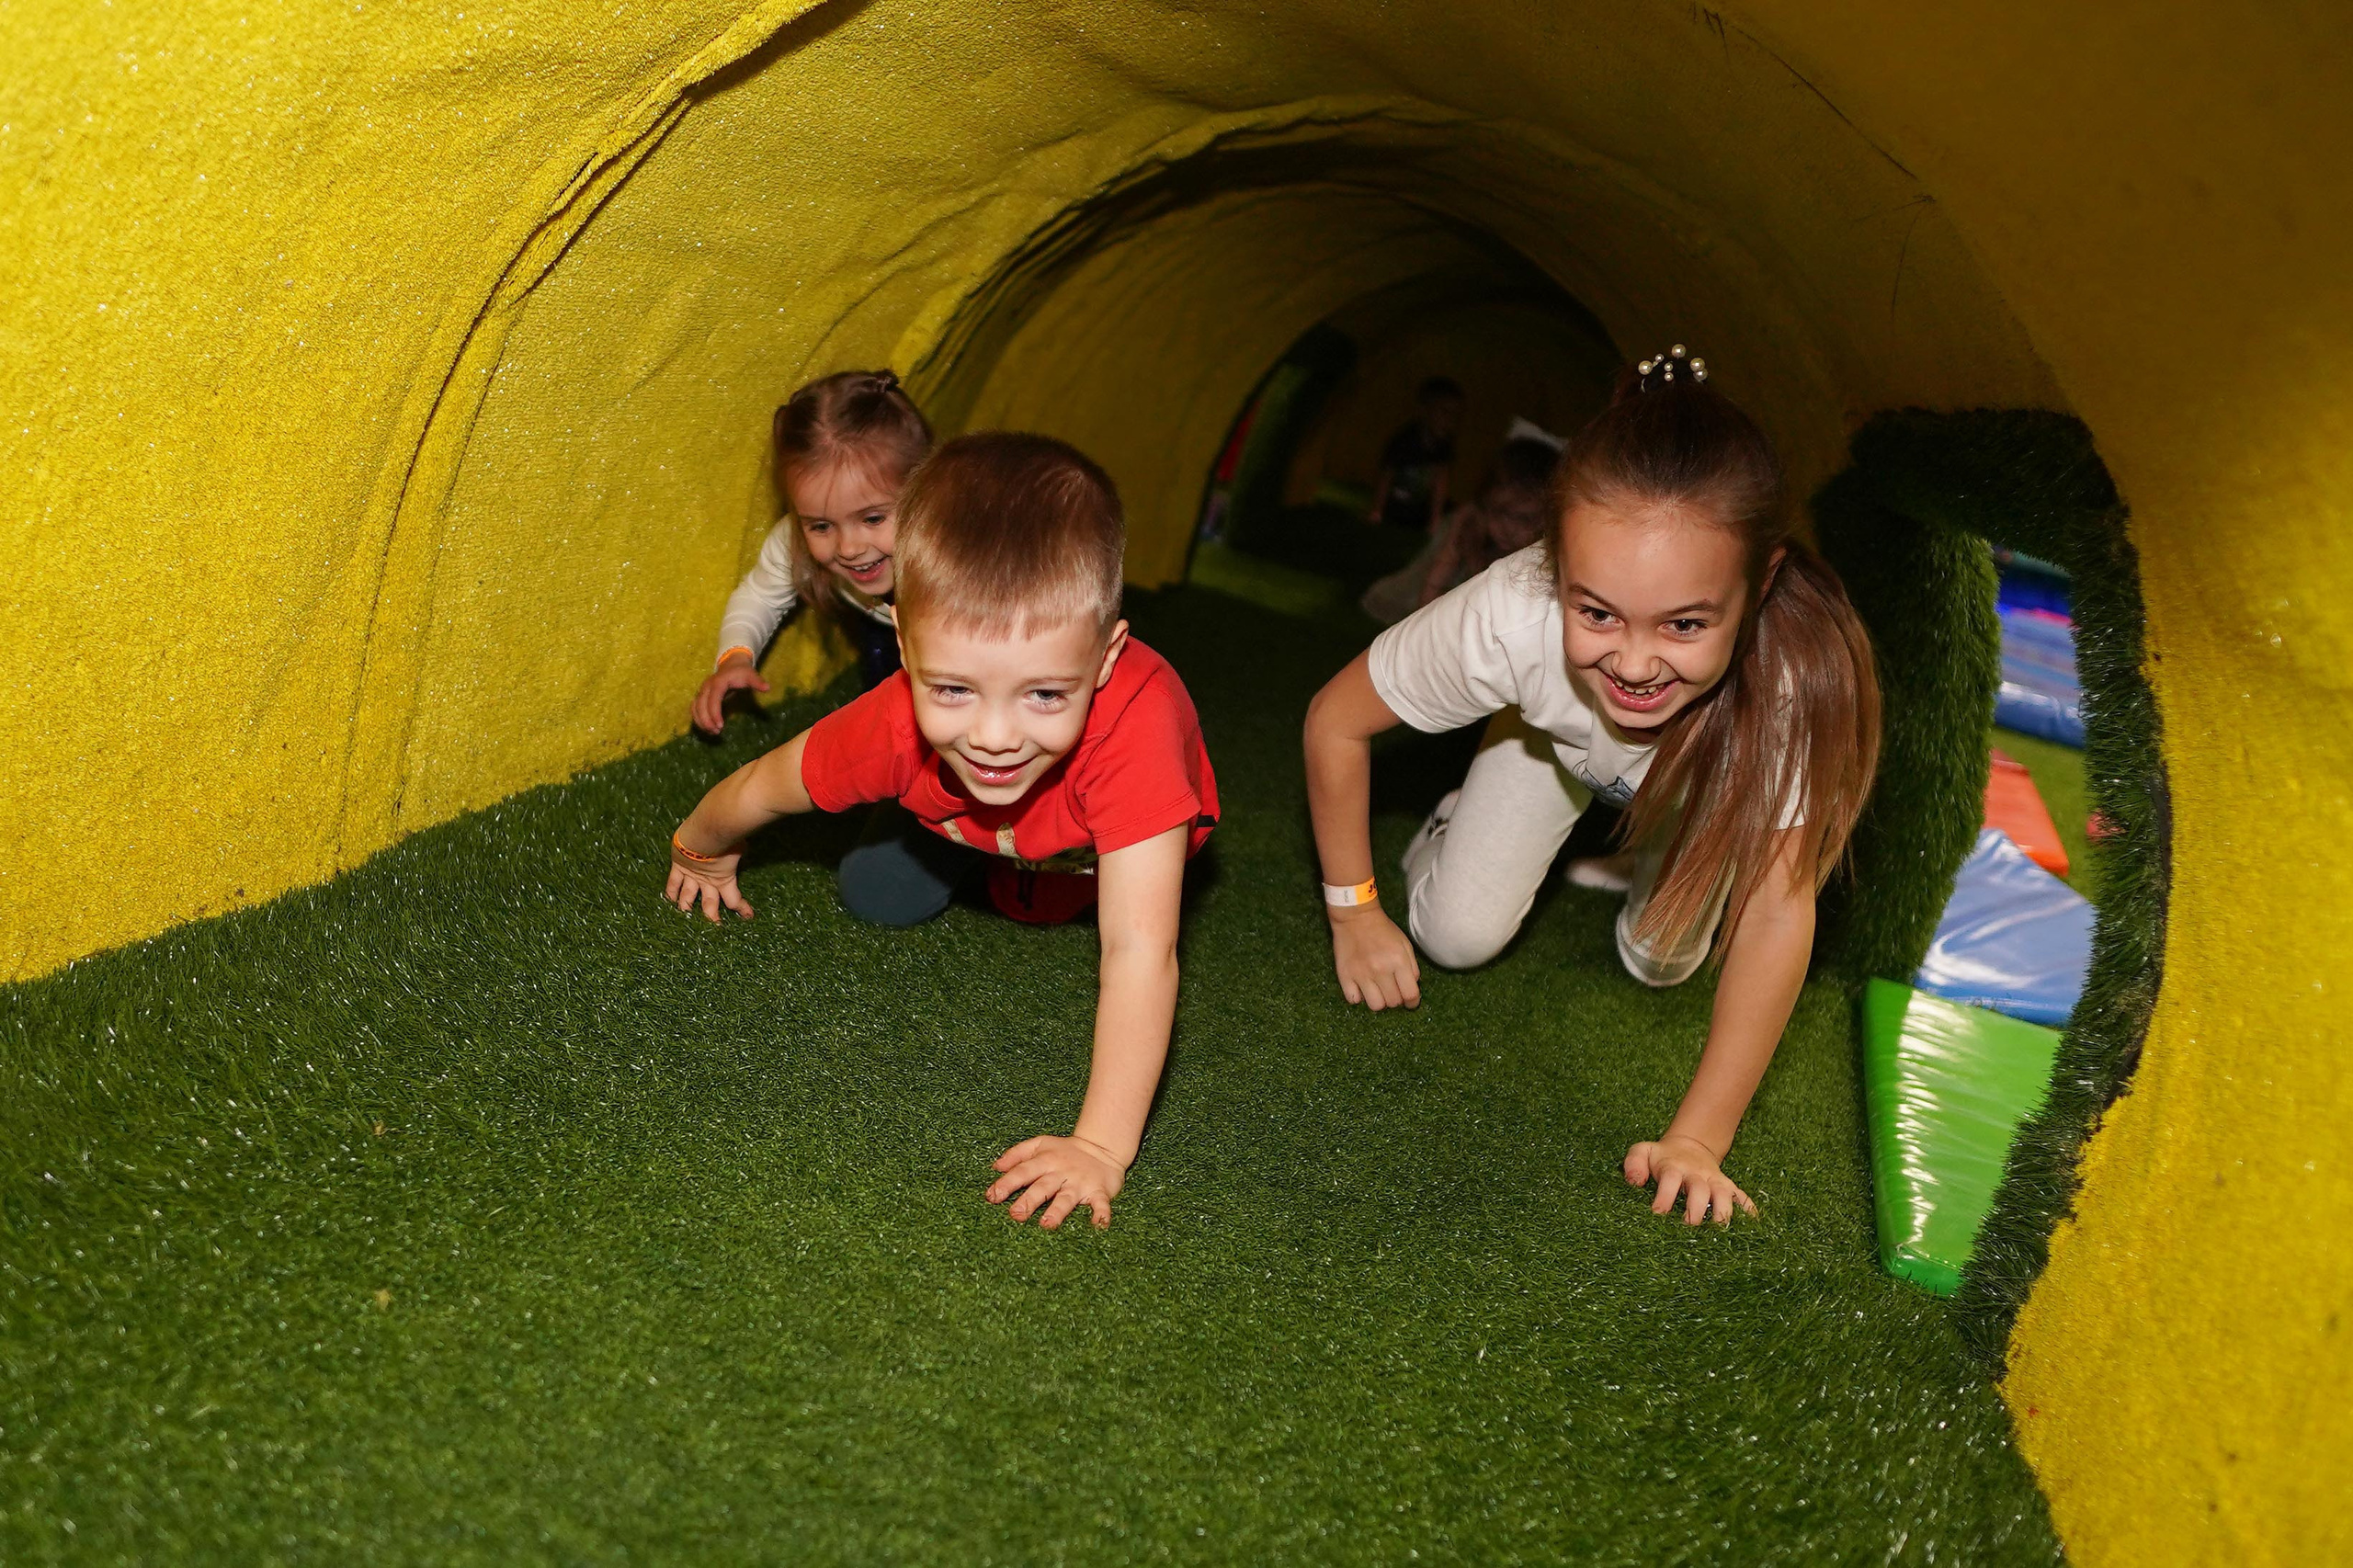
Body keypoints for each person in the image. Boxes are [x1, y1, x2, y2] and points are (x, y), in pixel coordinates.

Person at [1302, 346, 1881, 1228]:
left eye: (1684, 622)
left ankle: (1641, 849)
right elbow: (1334, 722)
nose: (1638, 664)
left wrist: (1699, 1140)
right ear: (1555, 566)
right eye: (1597, 611)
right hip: (1552, 747)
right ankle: (1465, 823)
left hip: (1700, 795)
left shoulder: (1792, 688)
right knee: (1454, 936)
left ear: (1758, 584)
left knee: (1660, 960)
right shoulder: (1512, 611)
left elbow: (1775, 909)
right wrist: (1353, 908)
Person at [663, 433, 1220, 1232]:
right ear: (905, 644)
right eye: (953, 688)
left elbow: (1140, 955)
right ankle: (988, 853)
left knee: (1068, 903)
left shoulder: (1138, 734)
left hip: (1089, 849)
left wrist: (1100, 1147)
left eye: (1044, 695)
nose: (995, 736)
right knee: (875, 893)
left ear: (1104, 660)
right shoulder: (894, 720)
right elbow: (765, 788)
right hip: (960, 819)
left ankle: (1024, 871)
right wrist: (698, 845)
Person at [691, 369, 930, 732]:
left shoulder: (962, 537)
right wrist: (735, 657)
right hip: (884, 630)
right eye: (821, 526)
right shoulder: (794, 542)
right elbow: (760, 597)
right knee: (886, 707)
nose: (848, 548)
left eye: (873, 519)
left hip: (976, 631)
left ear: (925, 488)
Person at [1358, 435, 1561, 625]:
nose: (1508, 528)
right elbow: (1435, 579)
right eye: (1498, 513)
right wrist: (1422, 623)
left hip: (1510, 596)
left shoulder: (1544, 552)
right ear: (1485, 503)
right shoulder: (1470, 522)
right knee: (1406, 597)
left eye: (1524, 519)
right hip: (1470, 566)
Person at [1365, 375, 1464, 534]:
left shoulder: (1443, 446)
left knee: (1456, 513)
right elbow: (1386, 476)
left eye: (1455, 416)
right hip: (1396, 506)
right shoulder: (1404, 440)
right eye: (1444, 413)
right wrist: (1376, 511)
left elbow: (1441, 480)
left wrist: (1435, 520)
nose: (1450, 421)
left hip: (1419, 510)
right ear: (1425, 410)